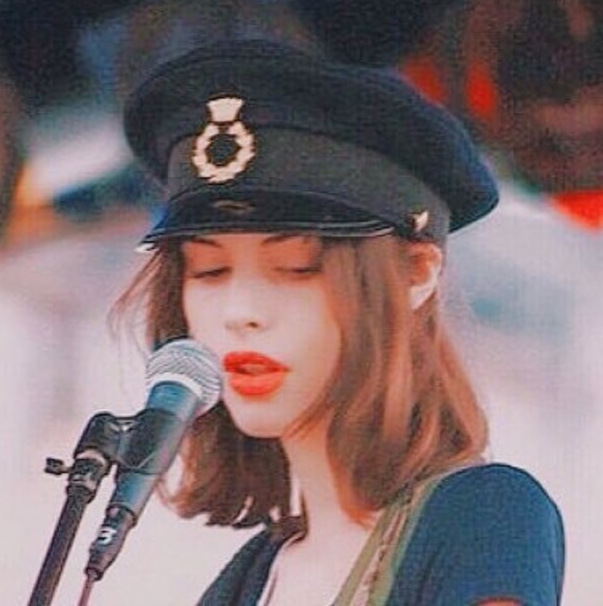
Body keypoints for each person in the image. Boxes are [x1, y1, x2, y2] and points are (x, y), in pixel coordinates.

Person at [119, 40, 564, 605]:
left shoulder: (482, 517)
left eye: (295, 268)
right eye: (209, 271)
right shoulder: (249, 578)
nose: (239, 312)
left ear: (416, 272)